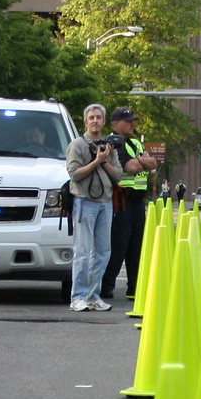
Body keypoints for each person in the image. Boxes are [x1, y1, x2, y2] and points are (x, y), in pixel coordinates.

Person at [63, 103, 122, 312]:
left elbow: (118, 175)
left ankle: (93, 296)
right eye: (91, 118)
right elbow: (74, 174)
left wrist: (104, 160)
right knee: (82, 251)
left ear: (104, 121)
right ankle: (77, 296)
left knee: (103, 252)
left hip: (105, 203)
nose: (95, 121)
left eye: (99, 117)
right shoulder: (77, 145)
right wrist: (96, 161)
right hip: (84, 201)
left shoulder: (108, 146)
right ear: (85, 122)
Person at [99, 108, 161, 303]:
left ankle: (134, 288)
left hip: (137, 203)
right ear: (116, 123)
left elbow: (153, 163)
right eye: (128, 121)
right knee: (118, 246)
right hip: (122, 201)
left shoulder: (134, 142)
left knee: (136, 248)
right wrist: (143, 161)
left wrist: (141, 161)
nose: (132, 124)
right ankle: (106, 287)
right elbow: (131, 167)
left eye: (133, 120)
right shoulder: (113, 142)